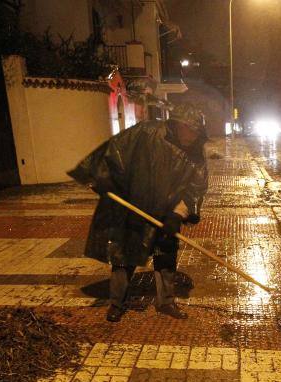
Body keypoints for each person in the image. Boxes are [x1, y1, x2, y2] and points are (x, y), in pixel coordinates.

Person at [68, 104, 209, 322]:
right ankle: (117, 303)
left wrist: (177, 214)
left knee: (165, 257)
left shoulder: (195, 153)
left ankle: (166, 302)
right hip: (134, 206)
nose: (193, 136)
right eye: (190, 130)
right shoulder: (145, 133)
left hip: (166, 213)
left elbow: (196, 187)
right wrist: (101, 178)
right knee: (124, 256)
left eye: (197, 132)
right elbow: (113, 152)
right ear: (178, 125)